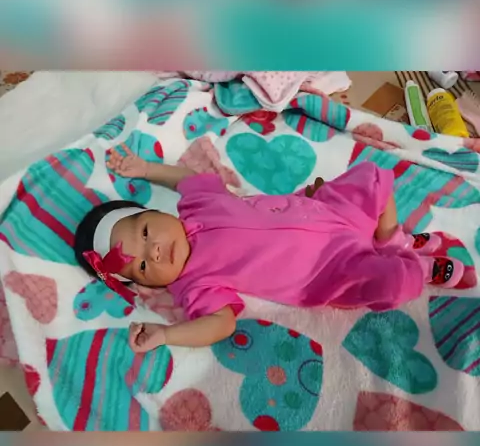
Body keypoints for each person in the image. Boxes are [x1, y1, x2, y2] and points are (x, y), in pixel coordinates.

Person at [74, 144, 464, 352]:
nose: (154, 252)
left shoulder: (196, 205)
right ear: (148, 284)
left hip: (326, 212)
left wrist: (146, 170)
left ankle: (392, 241)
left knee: (374, 176)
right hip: (329, 269)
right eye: (143, 266)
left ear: (154, 213)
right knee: (393, 283)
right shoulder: (194, 284)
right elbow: (221, 324)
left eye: (145, 233)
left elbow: (186, 179)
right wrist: (166, 335)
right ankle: (412, 265)